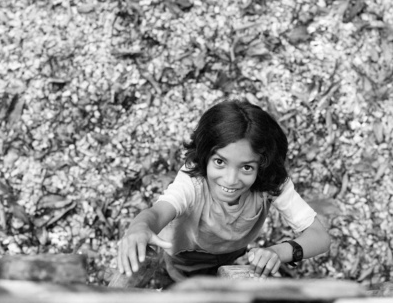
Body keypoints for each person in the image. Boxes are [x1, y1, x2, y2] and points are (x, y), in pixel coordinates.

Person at [117, 100, 331, 281]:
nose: (230, 180)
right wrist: (139, 227)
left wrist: (278, 252)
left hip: (233, 250)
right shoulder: (194, 182)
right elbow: (158, 212)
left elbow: (320, 236)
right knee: (181, 279)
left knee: (222, 274)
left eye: (246, 167)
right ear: (205, 155)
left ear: (262, 165)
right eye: (220, 162)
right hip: (186, 253)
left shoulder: (270, 183)